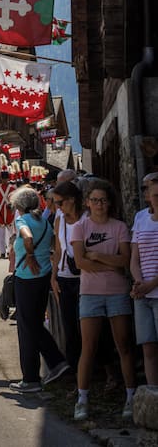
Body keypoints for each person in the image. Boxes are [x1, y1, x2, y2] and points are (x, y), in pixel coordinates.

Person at [71, 178, 135, 421]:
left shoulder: (119, 227)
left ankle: (131, 397)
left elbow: (125, 260)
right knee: (88, 347)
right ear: (87, 202)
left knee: (124, 345)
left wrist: (96, 256)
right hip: (90, 293)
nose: (99, 205)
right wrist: (111, 265)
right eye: (95, 200)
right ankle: (82, 399)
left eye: (103, 201)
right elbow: (80, 262)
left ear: (109, 203)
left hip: (117, 292)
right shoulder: (80, 227)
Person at [8, 185, 69, 394]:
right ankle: (56, 362)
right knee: (34, 324)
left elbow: (27, 237)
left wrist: (30, 254)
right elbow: (53, 243)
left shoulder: (22, 220)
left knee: (26, 328)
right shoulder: (43, 221)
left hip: (26, 278)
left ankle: (31, 378)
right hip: (43, 277)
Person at [50, 180, 84, 374]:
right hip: (64, 277)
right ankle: (74, 370)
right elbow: (58, 250)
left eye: (60, 202)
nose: (58, 207)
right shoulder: (59, 220)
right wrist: (53, 277)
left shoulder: (86, 219)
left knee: (85, 326)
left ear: (72, 200)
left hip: (85, 277)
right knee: (69, 327)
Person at [130, 175, 158, 385]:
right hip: (143, 294)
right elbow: (134, 258)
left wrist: (152, 284)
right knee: (148, 346)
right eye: (154, 194)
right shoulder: (140, 219)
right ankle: (152, 391)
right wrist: (139, 282)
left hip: (154, 289)